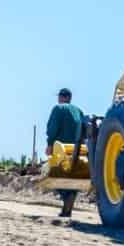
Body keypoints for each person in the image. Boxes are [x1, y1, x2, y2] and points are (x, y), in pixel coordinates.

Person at [45, 88, 86, 217]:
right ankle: (67, 208)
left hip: (61, 148)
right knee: (73, 177)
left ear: (63, 97)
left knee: (54, 175)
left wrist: (49, 143)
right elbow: (83, 130)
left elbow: (52, 127)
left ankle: (67, 197)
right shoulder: (79, 111)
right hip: (77, 149)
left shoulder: (58, 108)